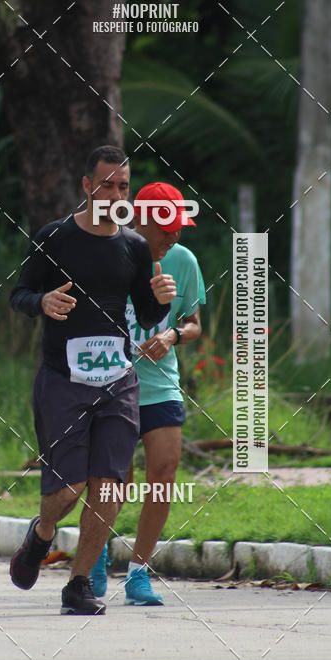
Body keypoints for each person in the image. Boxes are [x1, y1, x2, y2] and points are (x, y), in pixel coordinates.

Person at [8, 147, 177, 615]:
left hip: (118, 380)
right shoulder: (54, 238)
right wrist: (42, 302)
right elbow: (19, 294)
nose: (116, 195)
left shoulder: (134, 246)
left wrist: (161, 300)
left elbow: (146, 314)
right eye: (107, 185)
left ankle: (78, 584)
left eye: (123, 187)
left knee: (109, 486)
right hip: (63, 379)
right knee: (68, 489)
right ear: (87, 186)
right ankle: (42, 532)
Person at [89, 181, 205, 605]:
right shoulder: (109, 253)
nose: (175, 235)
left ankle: (139, 572)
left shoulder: (184, 260)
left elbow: (194, 323)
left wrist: (172, 335)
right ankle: (94, 556)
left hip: (160, 386)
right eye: (167, 227)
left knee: (165, 471)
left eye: (179, 227)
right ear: (141, 220)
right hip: (111, 385)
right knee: (115, 483)